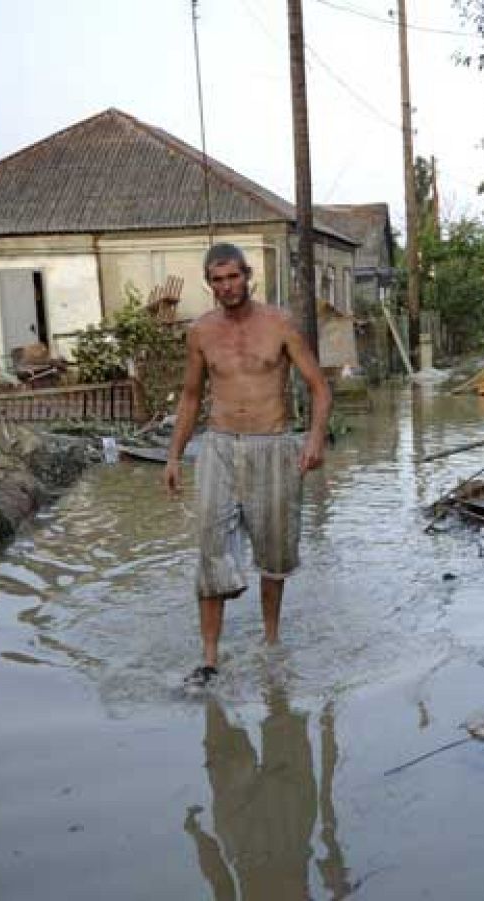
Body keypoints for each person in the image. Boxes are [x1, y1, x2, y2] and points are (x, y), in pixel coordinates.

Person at [163, 243, 331, 685]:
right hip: (218, 447)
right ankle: (210, 657)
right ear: (209, 284)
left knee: (274, 553)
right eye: (217, 280)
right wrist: (175, 456)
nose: (227, 287)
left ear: (248, 275)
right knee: (211, 548)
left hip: (273, 446)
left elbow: (319, 387)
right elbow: (191, 397)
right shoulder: (200, 332)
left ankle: (271, 642)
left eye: (233, 277)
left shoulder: (279, 324)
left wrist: (314, 439)